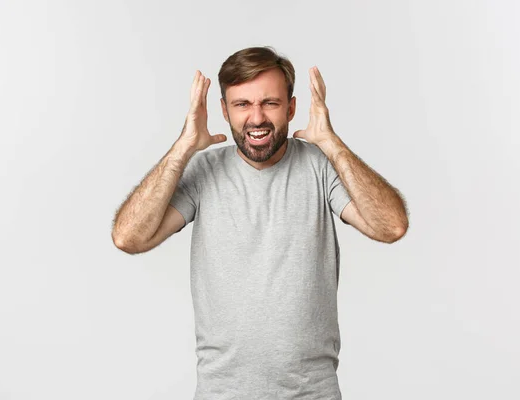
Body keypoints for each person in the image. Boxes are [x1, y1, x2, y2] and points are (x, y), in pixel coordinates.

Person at [111, 46, 409, 400]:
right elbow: (129, 238)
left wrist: (332, 144)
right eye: (242, 104)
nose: (256, 118)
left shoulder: (321, 166)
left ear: (291, 108)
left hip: (312, 393)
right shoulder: (204, 171)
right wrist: (184, 146)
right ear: (223, 110)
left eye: (270, 103)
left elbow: (390, 227)